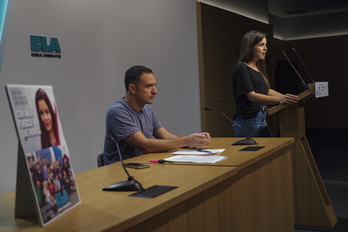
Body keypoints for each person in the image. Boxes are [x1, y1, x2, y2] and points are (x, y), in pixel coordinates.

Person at [103, 65, 211, 165]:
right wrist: (186, 140)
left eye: (155, 85)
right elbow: (145, 146)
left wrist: (194, 141)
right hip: (121, 172)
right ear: (132, 88)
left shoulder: (147, 109)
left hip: (143, 165)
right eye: (149, 86)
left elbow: (166, 136)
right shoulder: (118, 111)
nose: (155, 91)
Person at [232, 31, 299, 137]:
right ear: (250, 46)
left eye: (266, 45)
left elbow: (266, 90)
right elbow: (251, 95)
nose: (265, 48)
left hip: (261, 118)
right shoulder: (241, 67)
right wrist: (280, 100)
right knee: (255, 153)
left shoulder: (257, 68)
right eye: (261, 45)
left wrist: (287, 97)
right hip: (248, 121)